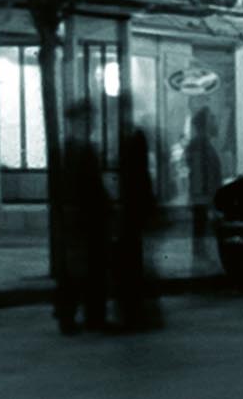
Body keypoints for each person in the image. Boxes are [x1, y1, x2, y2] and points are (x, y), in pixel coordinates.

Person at [52, 98, 112, 335]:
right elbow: (89, 187)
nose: (93, 123)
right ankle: (87, 316)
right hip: (85, 219)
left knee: (81, 269)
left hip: (80, 218)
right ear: (76, 121)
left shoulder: (72, 148)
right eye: (88, 119)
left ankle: (76, 315)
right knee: (87, 268)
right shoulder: (79, 150)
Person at [113, 121, 162, 331]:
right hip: (137, 223)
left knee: (133, 268)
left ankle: (134, 315)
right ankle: (143, 314)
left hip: (131, 223)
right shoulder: (141, 174)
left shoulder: (131, 174)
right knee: (140, 266)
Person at [185, 108, 223, 269]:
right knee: (202, 226)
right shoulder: (200, 145)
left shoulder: (201, 144)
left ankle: (202, 256)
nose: (216, 123)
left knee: (201, 225)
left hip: (203, 194)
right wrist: (207, 195)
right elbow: (201, 172)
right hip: (204, 195)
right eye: (212, 119)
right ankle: (202, 257)